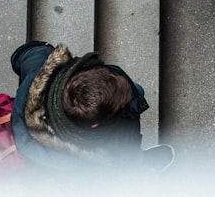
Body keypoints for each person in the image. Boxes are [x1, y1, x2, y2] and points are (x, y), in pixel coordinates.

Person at [10, 40, 172, 175]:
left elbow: (22, 55)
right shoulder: (104, 153)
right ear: (95, 125)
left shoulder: (38, 74)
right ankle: (142, 162)